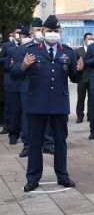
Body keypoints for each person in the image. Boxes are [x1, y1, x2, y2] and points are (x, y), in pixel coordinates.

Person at [12, 15, 84, 192]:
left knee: (60, 142)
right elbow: (14, 73)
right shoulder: (31, 50)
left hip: (59, 104)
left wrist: (80, 70)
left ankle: (63, 175)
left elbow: (74, 78)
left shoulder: (68, 51)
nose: (53, 34)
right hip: (37, 104)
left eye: (56, 31)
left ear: (60, 32)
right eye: (49, 31)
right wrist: (23, 66)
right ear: (43, 31)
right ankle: (33, 178)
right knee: (35, 143)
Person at [19, 19, 55, 157]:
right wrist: (23, 65)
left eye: (42, 29)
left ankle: (47, 143)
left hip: (47, 88)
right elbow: (16, 69)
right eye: (37, 29)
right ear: (31, 32)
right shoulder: (25, 48)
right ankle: (27, 145)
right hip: (28, 87)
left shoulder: (52, 47)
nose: (40, 32)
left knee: (48, 115)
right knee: (27, 117)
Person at [5, 25, 27, 145]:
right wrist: (13, 65)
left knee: (26, 114)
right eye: (23, 35)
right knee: (15, 112)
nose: (25, 38)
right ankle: (13, 134)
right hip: (16, 85)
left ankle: (26, 135)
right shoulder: (12, 50)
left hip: (28, 86)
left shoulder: (34, 49)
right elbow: (6, 68)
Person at [0, 24, 22, 135]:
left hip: (22, 80)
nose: (19, 35)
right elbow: (1, 59)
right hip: (9, 79)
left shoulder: (27, 45)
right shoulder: (7, 45)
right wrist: (9, 61)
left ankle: (21, 128)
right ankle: (7, 126)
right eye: (17, 32)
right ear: (13, 34)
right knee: (9, 105)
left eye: (21, 32)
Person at [75, 33, 94, 123]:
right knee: (80, 98)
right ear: (84, 40)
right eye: (89, 39)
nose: (91, 40)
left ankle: (90, 115)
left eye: (92, 39)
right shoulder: (78, 51)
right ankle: (80, 115)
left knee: (91, 99)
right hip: (81, 78)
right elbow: (75, 64)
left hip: (92, 77)